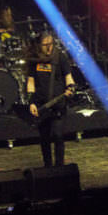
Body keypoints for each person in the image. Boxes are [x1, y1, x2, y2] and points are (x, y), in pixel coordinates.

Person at [26, 31, 76, 167]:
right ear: (38, 45)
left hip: (58, 104)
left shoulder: (60, 57)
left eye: (51, 44)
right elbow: (30, 82)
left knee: (58, 136)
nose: (49, 47)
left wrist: (70, 87)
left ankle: (59, 166)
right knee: (44, 138)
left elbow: (68, 77)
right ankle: (47, 166)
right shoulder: (34, 60)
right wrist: (31, 102)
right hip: (41, 106)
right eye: (45, 45)